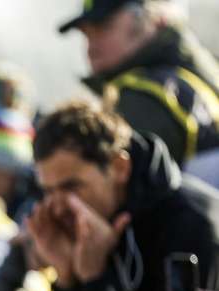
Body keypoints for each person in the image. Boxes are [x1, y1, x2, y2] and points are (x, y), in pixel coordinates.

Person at [26, 100, 219, 291]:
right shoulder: (93, 221)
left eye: (72, 187)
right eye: (49, 191)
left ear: (119, 167)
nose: (59, 206)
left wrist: (98, 277)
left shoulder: (188, 223)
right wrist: (67, 278)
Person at [57, 0, 219, 167]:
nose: (91, 47)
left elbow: (109, 184)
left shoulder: (144, 96)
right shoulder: (191, 73)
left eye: (104, 27)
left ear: (149, 18)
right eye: (87, 34)